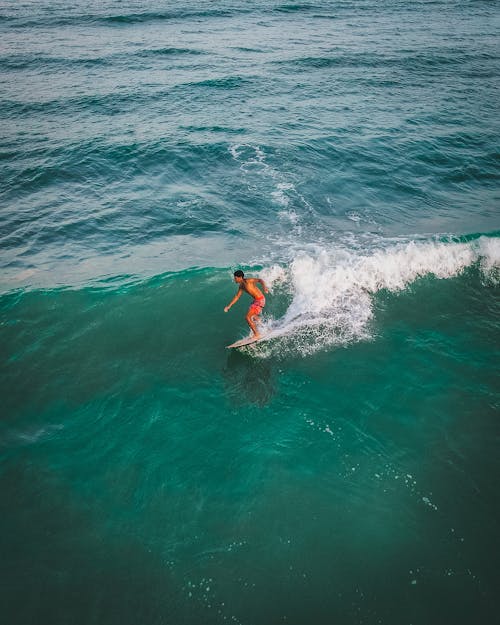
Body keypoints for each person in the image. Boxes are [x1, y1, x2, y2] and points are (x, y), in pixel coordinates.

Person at [224, 270, 269, 338]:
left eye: (235, 278)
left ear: (240, 277)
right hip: (255, 301)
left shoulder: (249, 281)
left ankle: (257, 334)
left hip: (260, 300)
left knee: (247, 317)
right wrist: (229, 306)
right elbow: (237, 296)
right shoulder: (241, 286)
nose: (234, 279)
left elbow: (260, 280)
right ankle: (265, 327)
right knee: (253, 317)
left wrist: (264, 288)